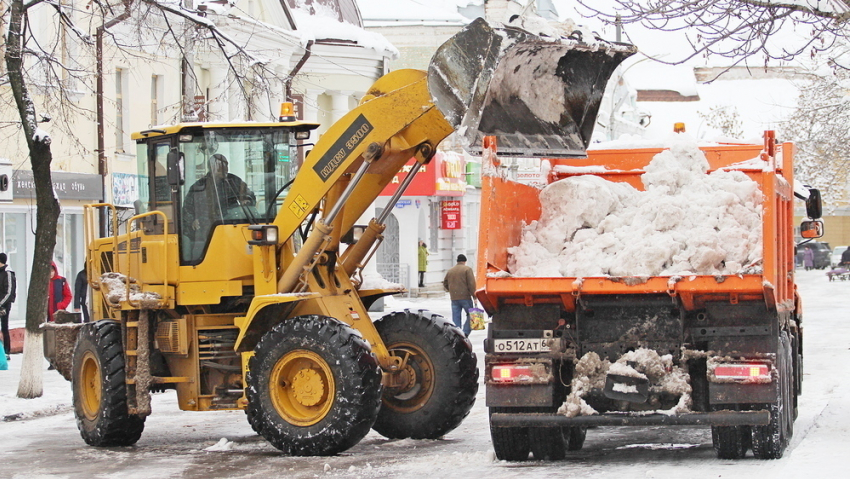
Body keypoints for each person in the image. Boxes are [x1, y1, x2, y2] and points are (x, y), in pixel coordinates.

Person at [182, 153, 254, 260]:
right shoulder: (199, 186)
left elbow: (249, 196)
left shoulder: (234, 181)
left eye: (226, 166)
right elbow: (187, 208)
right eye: (220, 167)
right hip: (206, 229)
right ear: (211, 168)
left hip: (231, 226)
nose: (225, 169)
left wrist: (246, 200)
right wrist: (192, 220)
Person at [443, 254, 476, 337]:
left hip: (454, 298)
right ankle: (465, 333)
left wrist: (451, 290)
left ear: (457, 261)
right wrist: (474, 296)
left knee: (456, 317)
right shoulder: (467, 269)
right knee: (471, 315)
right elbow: (471, 284)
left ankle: (457, 335)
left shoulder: (450, 270)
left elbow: (445, 283)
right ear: (465, 261)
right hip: (465, 297)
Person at [0, 252, 16, 361]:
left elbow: (9, 292)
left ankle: (6, 351)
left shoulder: (8, 273)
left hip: (4, 305)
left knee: (4, 327)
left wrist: (1, 304)